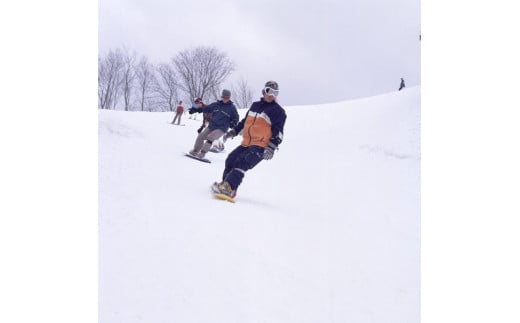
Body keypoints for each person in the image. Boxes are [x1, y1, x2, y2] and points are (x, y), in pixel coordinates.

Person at [212, 80, 287, 199]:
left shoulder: (278, 111)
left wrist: (271, 147)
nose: (272, 95)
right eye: (269, 91)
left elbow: (279, 132)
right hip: (247, 143)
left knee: (241, 162)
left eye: (275, 93)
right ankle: (225, 185)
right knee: (231, 160)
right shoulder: (255, 105)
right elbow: (245, 122)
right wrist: (234, 132)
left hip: (261, 146)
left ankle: (229, 188)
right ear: (264, 91)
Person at [188, 89, 239, 159]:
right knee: (201, 136)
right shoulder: (216, 105)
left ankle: (202, 153)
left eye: (227, 98)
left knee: (211, 137)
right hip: (212, 126)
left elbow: (236, 118)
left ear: (229, 98)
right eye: (224, 97)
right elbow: (206, 108)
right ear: (222, 97)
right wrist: (196, 109)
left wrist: (233, 123)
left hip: (221, 128)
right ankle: (195, 151)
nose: (225, 99)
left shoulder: (232, 108)